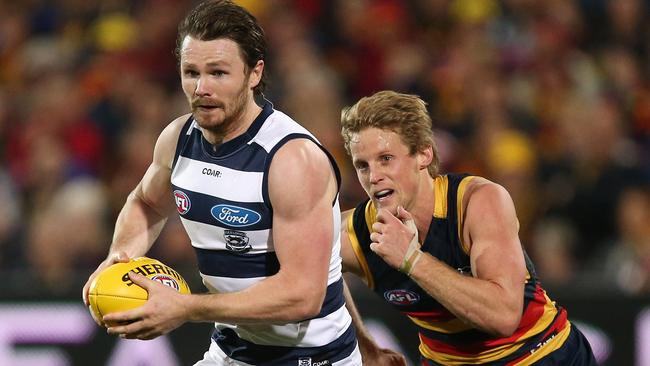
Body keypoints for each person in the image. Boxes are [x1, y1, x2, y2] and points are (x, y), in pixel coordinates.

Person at [80, 1, 370, 364]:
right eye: (191, 72)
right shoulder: (178, 138)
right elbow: (147, 203)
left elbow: (303, 295)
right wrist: (118, 258)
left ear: (254, 73)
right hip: (231, 348)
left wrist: (186, 308)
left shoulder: (292, 160)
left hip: (310, 357)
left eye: (218, 72)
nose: (201, 88)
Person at [339, 90, 598, 365]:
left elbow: (503, 317)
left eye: (386, 159)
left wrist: (412, 259)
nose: (374, 176)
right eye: (362, 165)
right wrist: (364, 347)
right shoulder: (358, 231)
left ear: (424, 154)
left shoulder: (477, 203)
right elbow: (314, 266)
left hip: (539, 355)